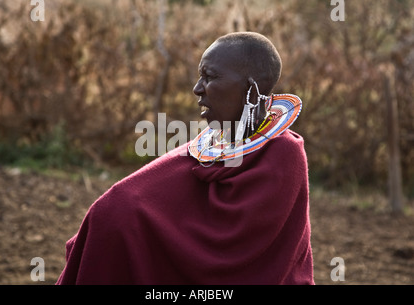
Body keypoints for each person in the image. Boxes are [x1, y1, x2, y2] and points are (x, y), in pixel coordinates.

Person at [56, 32, 314, 285]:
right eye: (200, 76)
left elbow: (255, 256)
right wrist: (110, 219)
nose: (197, 88)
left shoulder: (284, 154)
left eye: (210, 77)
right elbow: (128, 199)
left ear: (251, 89)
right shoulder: (210, 143)